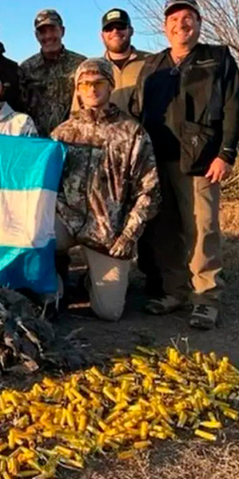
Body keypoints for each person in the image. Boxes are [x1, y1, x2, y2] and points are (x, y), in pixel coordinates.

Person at [133, 0, 239, 329]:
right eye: (174, 19)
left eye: (188, 17)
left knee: (202, 228)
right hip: (158, 159)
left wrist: (226, 153)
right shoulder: (153, 65)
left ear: (199, 22)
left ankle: (206, 297)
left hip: (203, 161)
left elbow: (235, 108)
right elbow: (139, 112)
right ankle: (174, 291)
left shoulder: (218, 58)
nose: (181, 23)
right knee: (164, 227)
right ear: (165, 28)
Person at [51, 59, 160, 321]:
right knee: (33, 241)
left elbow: (150, 192)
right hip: (66, 220)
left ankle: (91, 281)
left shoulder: (132, 132)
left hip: (107, 231)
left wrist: (128, 236)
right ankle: (52, 284)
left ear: (110, 86)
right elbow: (42, 185)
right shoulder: (62, 133)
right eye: (84, 84)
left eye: (98, 83)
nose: (91, 89)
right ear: (77, 90)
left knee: (109, 312)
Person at [20, 9, 86, 137]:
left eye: (53, 30)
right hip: (39, 145)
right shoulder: (26, 68)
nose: (48, 36)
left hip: (74, 141)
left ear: (62, 31)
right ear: (36, 36)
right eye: (42, 32)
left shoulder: (81, 65)